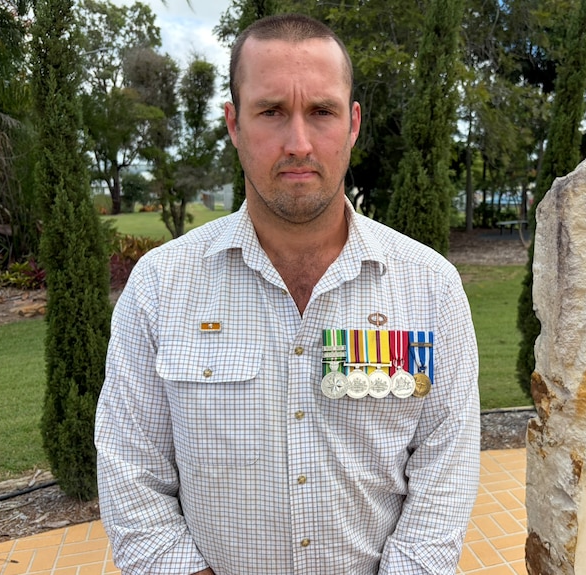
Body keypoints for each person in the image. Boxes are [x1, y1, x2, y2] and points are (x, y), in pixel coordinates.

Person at [95, 13, 481, 575]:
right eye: (272, 111)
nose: (298, 143)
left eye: (320, 112)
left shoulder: (431, 289)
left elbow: (442, 484)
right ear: (233, 124)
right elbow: (132, 474)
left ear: (352, 124)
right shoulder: (159, 288)